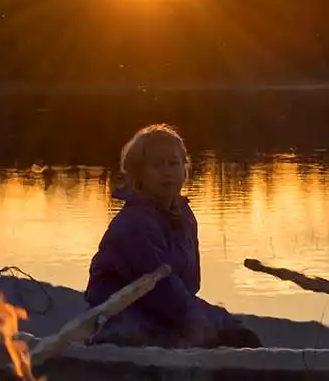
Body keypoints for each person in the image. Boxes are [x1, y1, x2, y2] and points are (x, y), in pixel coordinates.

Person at [84, 124, 263, 348]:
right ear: (139, 174)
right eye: (157, 165)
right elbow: (159, 288)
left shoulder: (185, 216)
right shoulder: (135, 223)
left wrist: (206, 322)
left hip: (167, 306)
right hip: (119, 311)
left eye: (173, 163)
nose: (167, 171)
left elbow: (189, 283)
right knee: (160, 336)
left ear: (184, 169)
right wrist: (195, 325)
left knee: (236, 330)